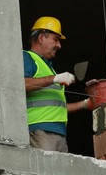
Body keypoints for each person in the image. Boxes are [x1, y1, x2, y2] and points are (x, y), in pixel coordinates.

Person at [24, 16, 91, 153]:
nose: (59, 45)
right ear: (41, 38)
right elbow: (21, 85)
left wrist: (84, 104)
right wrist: (54, 78)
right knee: (46, 174)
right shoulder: (27, 57)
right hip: (40, 129)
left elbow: (56, 107)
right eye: (56, 39)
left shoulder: (49, 68)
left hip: (58, 133)